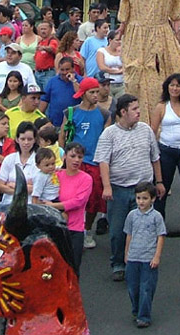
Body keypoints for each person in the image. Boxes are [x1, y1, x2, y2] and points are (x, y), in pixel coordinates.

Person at [95, 94, 164, 281]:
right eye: (134, 109)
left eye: (138, 108)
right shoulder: (109, 134)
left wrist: (159, 182)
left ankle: (140, 263)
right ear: (122, 112)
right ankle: (118, 263)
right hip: (118, 190)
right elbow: (103, 162)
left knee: (144, 229)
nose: (138, 112)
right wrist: (107, 187)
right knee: (118, 232)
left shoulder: (146, 130)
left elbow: (155, 157)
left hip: (143, 188)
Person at [59, 73, 111, 249]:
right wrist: (63, 157)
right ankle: (70, 229)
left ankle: (87, 229)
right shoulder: (70, 112)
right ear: (83, 93)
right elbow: (62, 136)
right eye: (92, 92)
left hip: (95, 162)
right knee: (69, 197)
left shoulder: (104, 114)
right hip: (74, 162)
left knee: (94, 200)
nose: (96, 95)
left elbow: (106, 139)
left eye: (97, 91)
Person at [39, 142, 93, 275]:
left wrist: (53, 206)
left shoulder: (86, 179)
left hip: (75, 229)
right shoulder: (55, 175)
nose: (76, 160)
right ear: (65, 157)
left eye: (80, 157)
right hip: (55, 228)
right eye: (73, 156)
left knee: (72, 270)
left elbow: (78, 202)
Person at [123, 181, 166, 328]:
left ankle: (144, 316)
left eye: (145, 198)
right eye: (139, 198)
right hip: (133, 257)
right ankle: (136, 309)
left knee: (146, 288)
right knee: (133, 287)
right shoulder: (131, 215)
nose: (141, 201)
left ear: (152, 199)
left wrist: (157, 256)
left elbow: (161, 236)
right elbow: (129, 234)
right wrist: (126, 253)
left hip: (148, 259)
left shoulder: (156, 217)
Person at [150, 73, 180, 219]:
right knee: (162, 187)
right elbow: (153, 132)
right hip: (166, 150)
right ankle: (158, 222)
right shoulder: (161, 107)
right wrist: (153, 154)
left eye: (178, 85)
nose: (175, 88)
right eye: (172, 85)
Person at [0, 121, 39, 204]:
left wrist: (13, 185)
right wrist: (25, 189)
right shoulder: (9, 159)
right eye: (23, 139)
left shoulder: (39, 160)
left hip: (31, 205)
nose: (26, 142)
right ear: (17, 139)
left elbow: (39, 188)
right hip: (8, 204)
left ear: (35, 140)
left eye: (30, 139)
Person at [39, 57, 83, 127]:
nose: (64, 72)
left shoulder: (81, 80)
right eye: (62, 70)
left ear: (73, 69)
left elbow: (82, 95)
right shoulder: (52, 81)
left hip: (75, 123)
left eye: (67, 69)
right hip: (55, 123)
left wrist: (73, 81)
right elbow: (44, 100)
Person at [96, 30, 124, 97]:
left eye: (121, 40)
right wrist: (117, 71)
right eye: (117, 40)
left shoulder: (124, 52)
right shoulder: (101, 51)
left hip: (121, 83)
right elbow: (102, 67)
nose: (119, 42)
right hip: (108, 84)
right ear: (110, 40)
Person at [33, 20, 58, 91]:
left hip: (48, 73)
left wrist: (44, 48)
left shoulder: (52, 41)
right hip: (38, 73)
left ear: (50, 30)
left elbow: (52, 48)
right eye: (41, 29)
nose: (43, 31)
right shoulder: (40, 42)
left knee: (47, 94)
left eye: (45, 29)